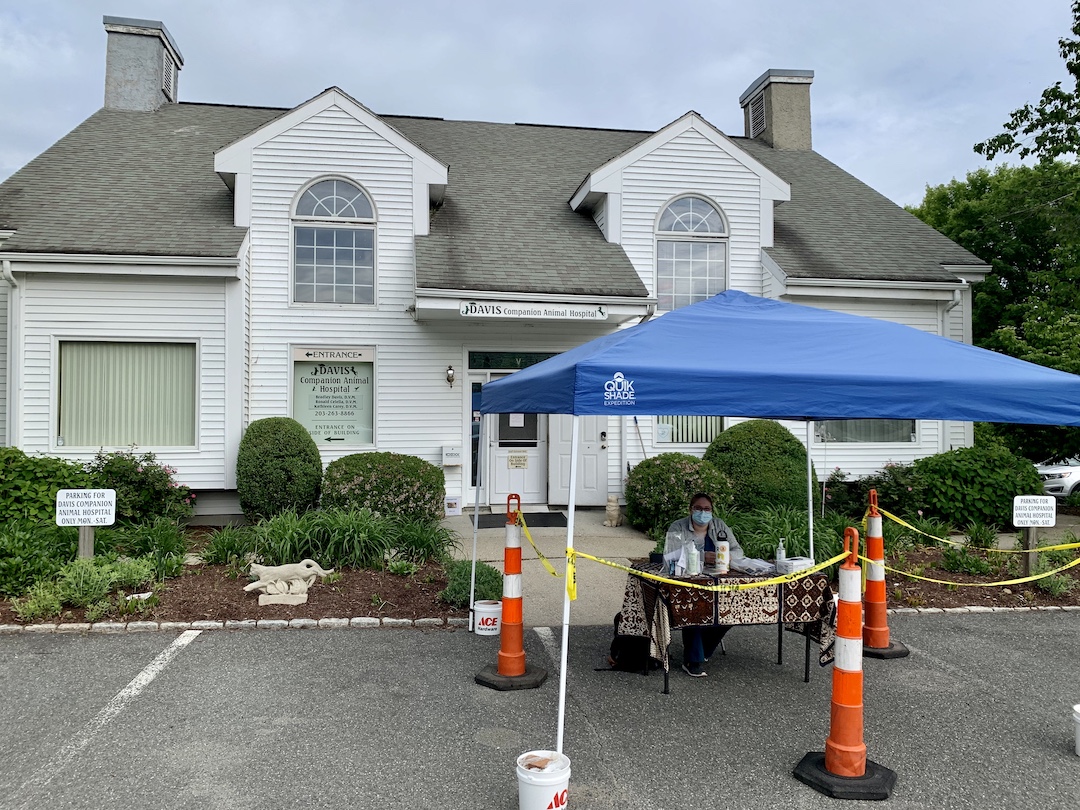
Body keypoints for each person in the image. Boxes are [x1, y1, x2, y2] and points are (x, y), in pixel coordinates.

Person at [663, 493, 744, 677]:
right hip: (688, 580)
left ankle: (703, 650)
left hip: (717, 579)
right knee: (693, 606)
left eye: (707, 509)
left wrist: (724, 556)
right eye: (698, 508)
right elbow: (670, 554)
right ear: (691, 509)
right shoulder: (678, 527)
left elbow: (738, 551)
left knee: (730, 609)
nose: (703, 512)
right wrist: (700, 557)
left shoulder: (719, 526)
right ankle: (693, 660)